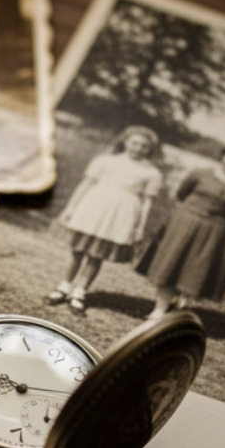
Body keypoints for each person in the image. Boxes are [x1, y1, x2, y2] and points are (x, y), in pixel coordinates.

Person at [46, 126, 165, 314]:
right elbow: (86, 184)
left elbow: (146, 203)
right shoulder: (105, 161)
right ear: (125, 142)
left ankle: (80, 292)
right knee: (78, 249)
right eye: (134, 143)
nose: (138, 148)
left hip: (122, 213)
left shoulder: (152, 173)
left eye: (144, 146)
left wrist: (139, 227)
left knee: (97, 254)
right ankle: (64, 286)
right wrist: (71, 207)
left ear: (150, 149)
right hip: (95, 205)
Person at [139, 144, 225, 319]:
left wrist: (224, 226)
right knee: (172, 263)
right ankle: (159, 309)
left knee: (196, 270)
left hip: (218, 233)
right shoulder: (200, 174)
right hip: (186, 224)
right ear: (223, 157)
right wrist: (190, 213)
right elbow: (181, 194)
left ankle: (179, 303)